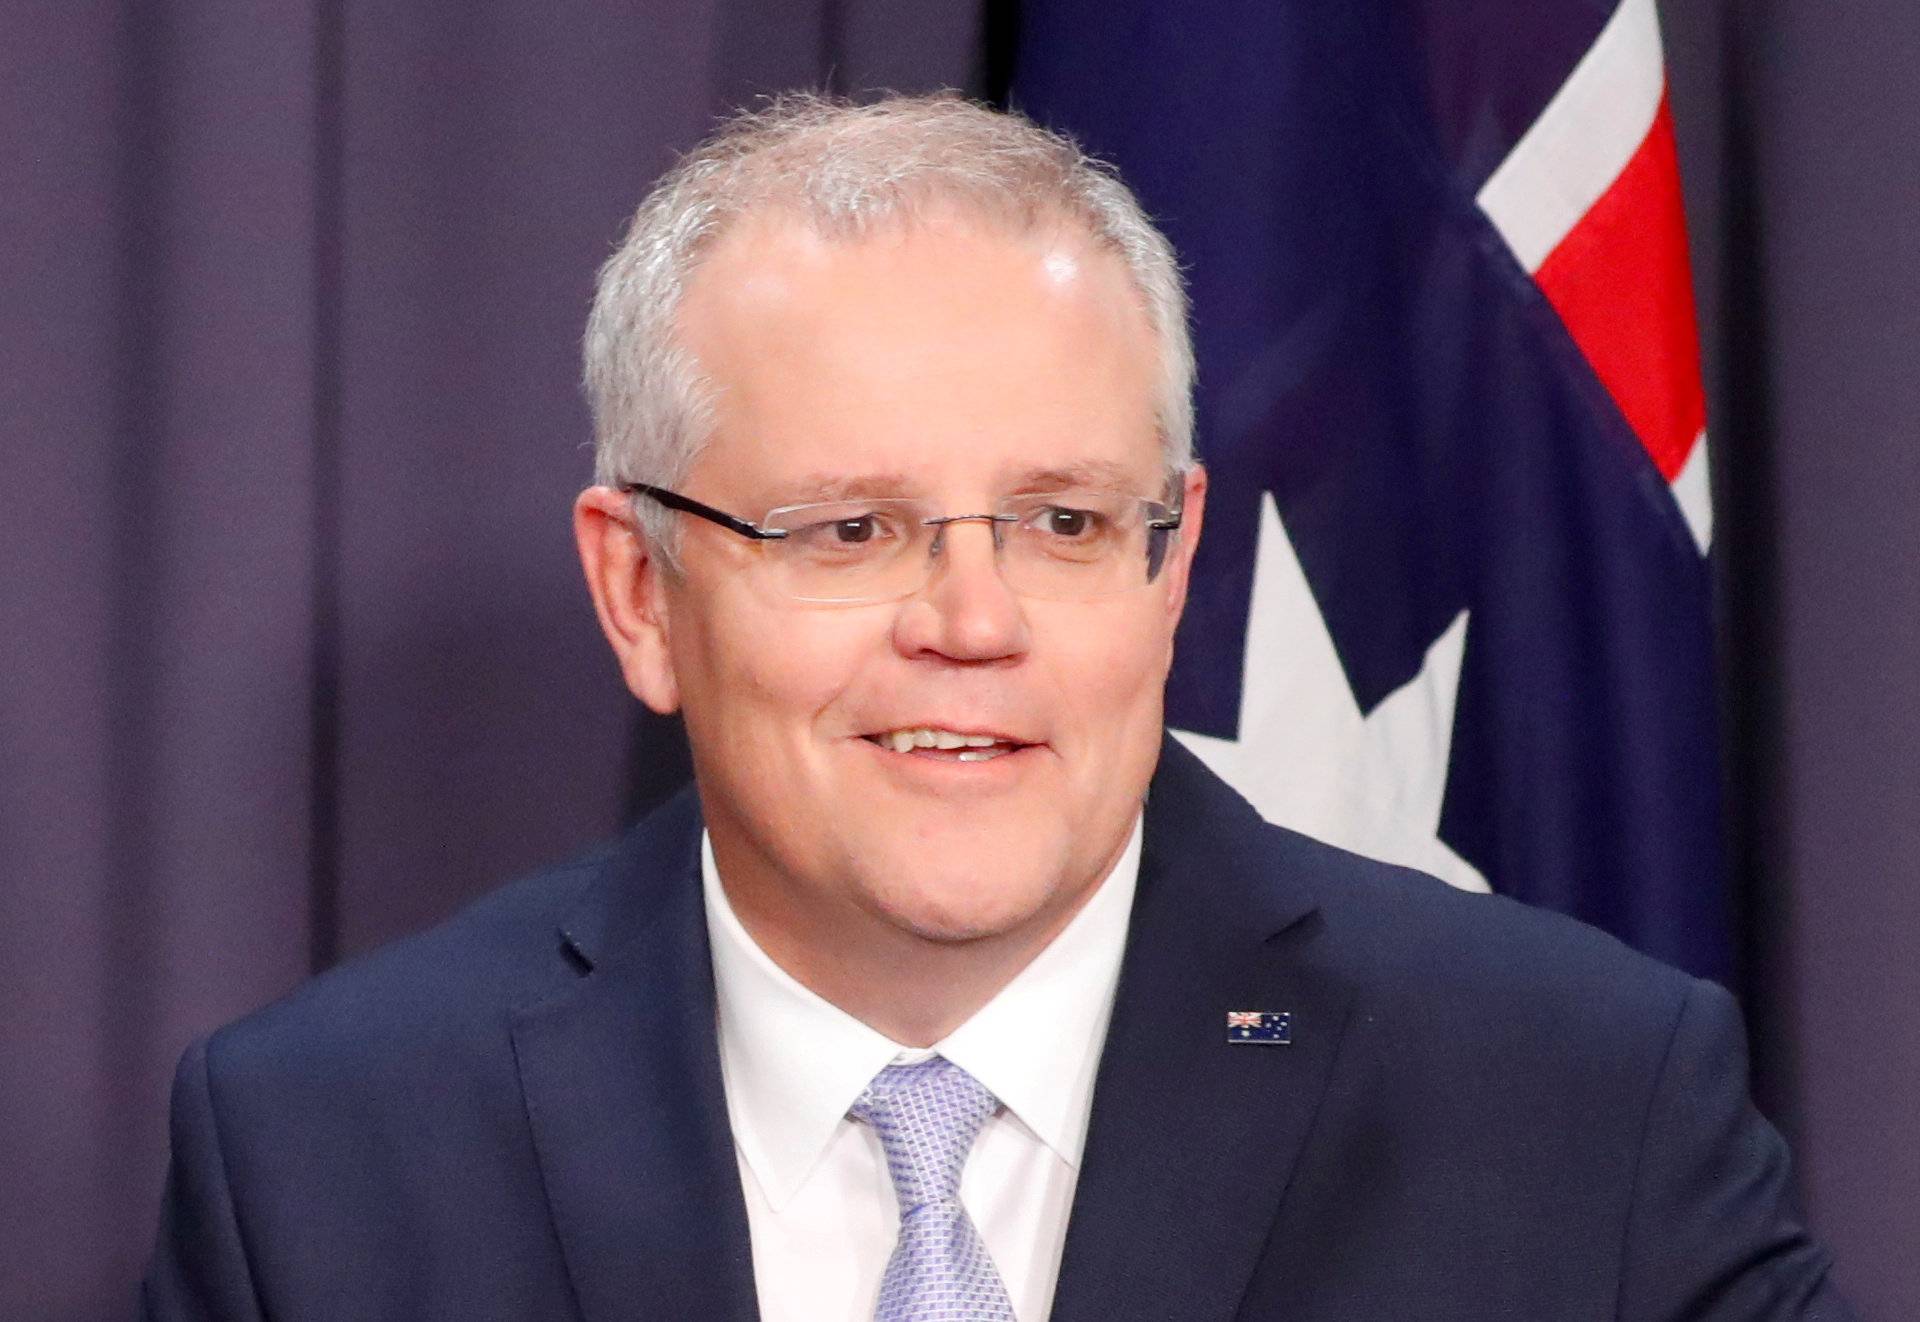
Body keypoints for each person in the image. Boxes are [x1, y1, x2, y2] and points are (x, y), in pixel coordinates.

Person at [143, 94, 1852, 1321]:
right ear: (641, 592)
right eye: (851, 527)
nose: (973, 621)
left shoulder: (1582, 1112)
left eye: (1062, 522)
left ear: (1170, 572)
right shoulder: (322, 1158)